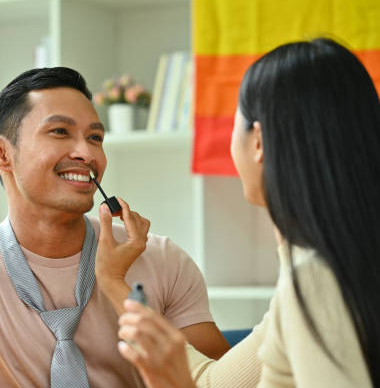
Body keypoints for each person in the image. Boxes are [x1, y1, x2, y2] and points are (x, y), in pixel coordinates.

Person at [0, 67, 230, 387]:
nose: (87, 154)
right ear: (1, 155)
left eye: (95, 138)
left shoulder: (160, 259)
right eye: (60, 132)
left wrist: (120, 292)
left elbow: (215, 382)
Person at [113, 38, 378, 387]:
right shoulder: (327, 268)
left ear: (258, 142)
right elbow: (215, 383)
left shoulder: (315, 280)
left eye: (234, 126)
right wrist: (115, 285)